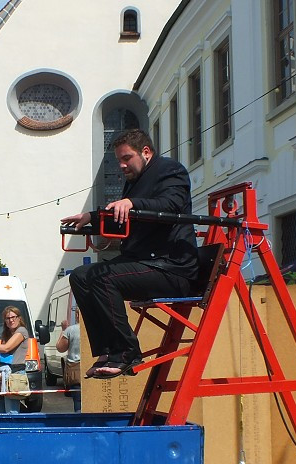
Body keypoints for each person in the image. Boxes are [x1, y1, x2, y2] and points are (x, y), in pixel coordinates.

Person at [62, 128, 198, 378]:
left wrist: (132, 203)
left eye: (127, 158)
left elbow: (172, 205)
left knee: (104, 277)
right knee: (80, 276)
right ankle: (106, 349)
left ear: (145, 152)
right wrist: (91, 217)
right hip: (143, 262)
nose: (122, 165)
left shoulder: (170, 170)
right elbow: (123, 218)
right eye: (119, 161)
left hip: (170, 267)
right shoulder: (134, 182)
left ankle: (126, 351)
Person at [57, 319, 82, 412]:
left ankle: (80, 421)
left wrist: (64, 330)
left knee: (78, 401)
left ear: (77, 314)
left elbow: (60, 348)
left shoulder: (71, 330)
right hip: (95, 368)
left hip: (76, 371)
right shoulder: (98, 327)